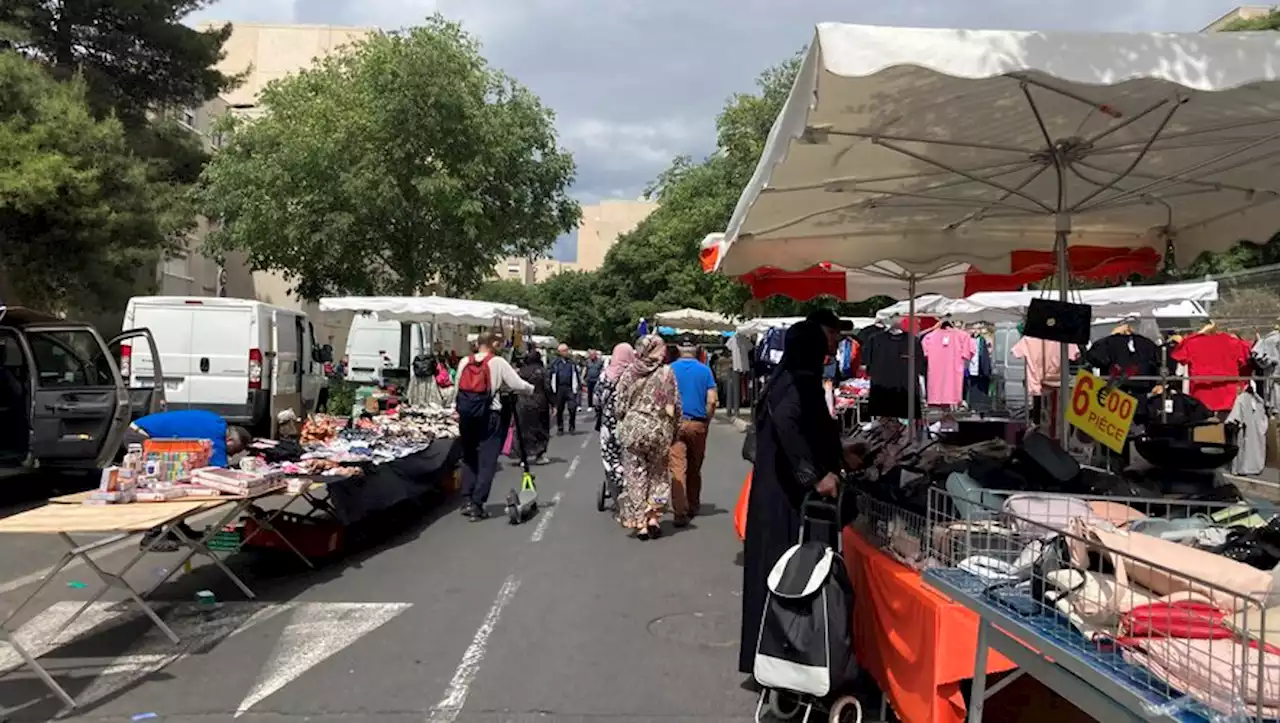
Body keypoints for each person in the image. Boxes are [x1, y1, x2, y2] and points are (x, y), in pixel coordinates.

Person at [739, 321, 842, 675]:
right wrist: (814, 477)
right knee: (787, 576)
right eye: (824, 344)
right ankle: (784, 659)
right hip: (785, 498)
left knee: (772, 573)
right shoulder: (800, 380)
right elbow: (789, 423)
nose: (830, 350)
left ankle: (767, 656)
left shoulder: (783, 379)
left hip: (773, 491)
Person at [454, 333, 534, 520]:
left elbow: (458, 387)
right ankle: (477, 504)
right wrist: (531, 389)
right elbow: (516, 383)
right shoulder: (497, 362)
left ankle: (466, 499)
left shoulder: (465, 361)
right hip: (490, 414)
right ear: (493, 344)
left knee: (469, 456)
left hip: (466, 416)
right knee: (487, 460)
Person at [614, 334, 681, 540]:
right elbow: (675, 405)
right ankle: (654, 517)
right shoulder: (666, 373)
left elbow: (619, 405)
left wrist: (625, 420)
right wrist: (675, 430)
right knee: (658, 474)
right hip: (658, 430)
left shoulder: (629, 373)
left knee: (635, 476)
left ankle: (640, 523)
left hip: (633, 429)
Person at [668, 337, 718, 527]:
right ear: (697, 348)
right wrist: (707, 418)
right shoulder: (705, 370)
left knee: (677, 467)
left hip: (676, 423)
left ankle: (680, 511)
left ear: (678, 348)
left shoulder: (669, 370)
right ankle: (693, 504)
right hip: (698, 424)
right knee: (695, 467)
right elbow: (712, 400)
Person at [596, 342, 634, 515]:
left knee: (611, 457)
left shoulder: (606, 376)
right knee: (631, 456)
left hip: (610, 423)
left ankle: (616, 485)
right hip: (631, 423)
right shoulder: (635, 375)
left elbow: (597, 400)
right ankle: (632, 488)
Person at [514, 349, 551, 465]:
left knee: (523, 430)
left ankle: (522, 457)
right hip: (540, 403)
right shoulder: (542, 371)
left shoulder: (520, 372)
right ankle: (539, 455)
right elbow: (548, 388)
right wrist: (553, 403)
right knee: (541, 429)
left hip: (522, 403)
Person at [549, 343, 581, 435]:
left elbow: (576, 375)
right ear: (560, 352)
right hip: (559, 388)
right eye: (565, 350)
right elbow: (551, 376)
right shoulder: (555, 363)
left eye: (567, 350)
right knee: (559, 409)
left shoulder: (571, 363)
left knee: (572, 408)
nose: (567, 352)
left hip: (569, 388)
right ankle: (560, 428)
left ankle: (572, 426)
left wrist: (577, 387)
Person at [584, 350, 605, 431]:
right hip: (589, 380)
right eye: (591, 355)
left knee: (597, 395)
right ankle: (590, 405)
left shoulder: (599, 361)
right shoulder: (588, 361)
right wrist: (583, 377)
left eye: (593, 354)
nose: (592, 356)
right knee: (589, 393)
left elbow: (602, 370)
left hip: (597, 380)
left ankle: (597, 409)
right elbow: (585, 369)